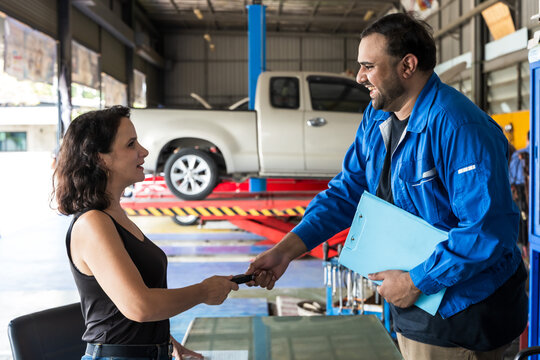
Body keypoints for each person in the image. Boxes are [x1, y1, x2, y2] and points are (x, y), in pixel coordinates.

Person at [247, 13, 527, 360]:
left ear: (407, 65)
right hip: (415, 307)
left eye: (368, 66)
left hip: (461, 317)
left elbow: (488, 229)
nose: (360, 77)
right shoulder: (378, 117)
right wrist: (285, 250)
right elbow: (347, 191)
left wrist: (416, 282)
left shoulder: (459, 126)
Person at [52, 106, 239, 360]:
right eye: (131, 144)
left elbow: (125, 306)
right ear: (100, 158)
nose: (144, 151)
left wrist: (171, 345)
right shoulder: (92, 223)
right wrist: (203, 292)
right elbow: (139, 306)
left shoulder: (115, 214)